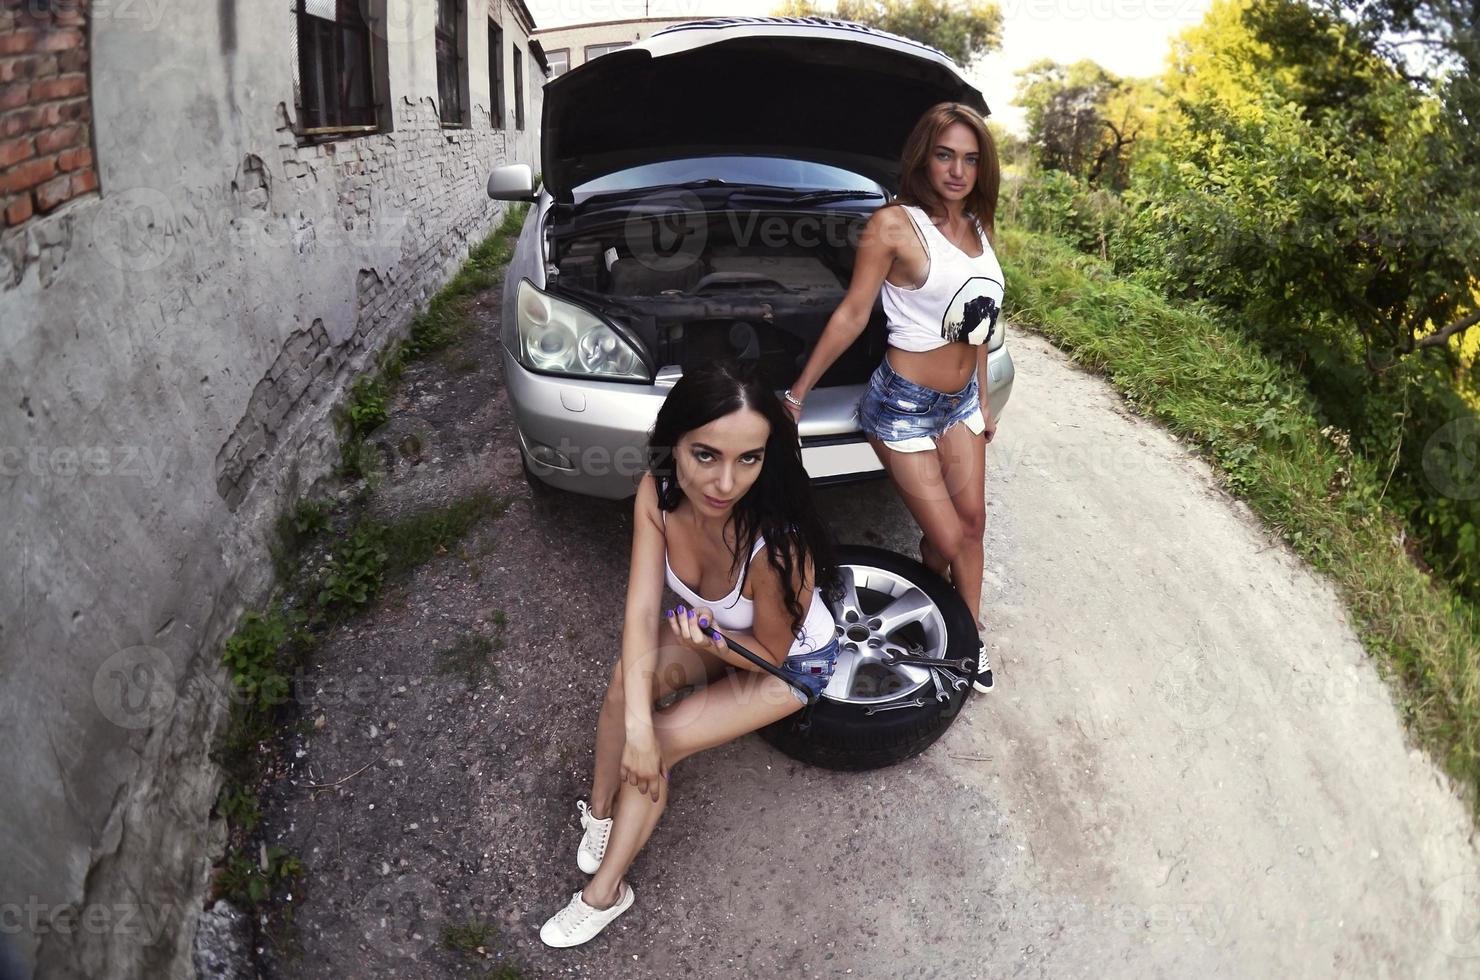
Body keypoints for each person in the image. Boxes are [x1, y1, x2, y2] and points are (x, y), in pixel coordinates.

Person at [538, 359, 842, 948]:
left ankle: (606, 893)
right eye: (706, 454)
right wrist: (635, 727)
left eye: (748, 459)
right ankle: (600, 812)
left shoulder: (776, 548)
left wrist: (661, 724)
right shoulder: (657, 487)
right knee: (628, 685)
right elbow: (640, 610)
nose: (725, 484)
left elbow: (774, 654)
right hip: (712, 633)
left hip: (784, 663)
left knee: (668, 735)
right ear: (672, 445)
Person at [784, 101, 1003, 694]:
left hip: (958, 404)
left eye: (970, 158)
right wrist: (799, 392)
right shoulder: (893, 225)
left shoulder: (979, 228)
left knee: (972, 526)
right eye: (945, 155)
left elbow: (980, 320)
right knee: (950, 538)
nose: (958, 170)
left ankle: (967, 636)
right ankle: (948, 614)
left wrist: (981, 401)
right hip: (901, 407)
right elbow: (854, 313)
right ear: (923, 158)